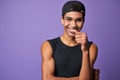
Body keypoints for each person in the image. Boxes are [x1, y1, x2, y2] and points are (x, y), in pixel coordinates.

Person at [41, 0, 100, 80]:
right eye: (69, 19)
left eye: (78, 20)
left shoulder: (91, 48)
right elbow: (47, 79)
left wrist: (85, 50)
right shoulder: (48, 45)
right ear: (62, 20)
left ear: (83, 21)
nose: (73, 25)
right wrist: (81, 78)